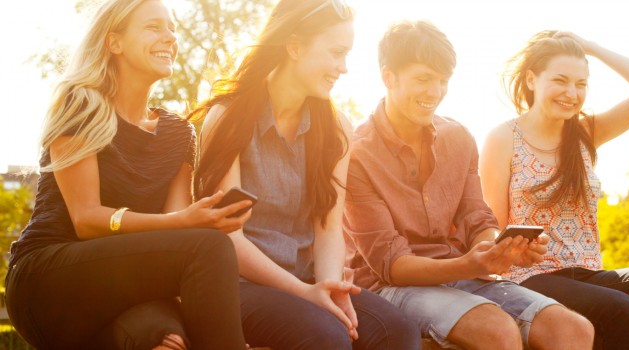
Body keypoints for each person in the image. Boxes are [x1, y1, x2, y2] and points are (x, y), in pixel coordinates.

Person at [4, 1, 250, 349]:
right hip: (49, 281)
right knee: (209, 248)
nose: (170, 37)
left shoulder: (180, 133)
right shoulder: (82, 105)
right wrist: (186, 224)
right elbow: (86, 220)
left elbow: (175, 224)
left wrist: (205, 217)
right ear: (114, 42)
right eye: (153, 27)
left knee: (166, 340)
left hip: (122, 285)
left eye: (172, 28)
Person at [343, 20, 594, 350]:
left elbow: (478, 218)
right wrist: (470, 263)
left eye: (442, 81)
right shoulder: (357, 153)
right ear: (389, 77)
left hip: (461, 275)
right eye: (423, 79)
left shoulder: (458, 138)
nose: (435, 92)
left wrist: (501, 247)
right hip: (390, 287)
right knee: (497, 331)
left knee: (573, 329)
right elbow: (392, 265)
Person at [189, 0, 421, 349]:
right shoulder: (228, 117)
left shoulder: (336, 128)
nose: (343, 68)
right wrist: (307, 294)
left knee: (398, 331)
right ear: (294, 46)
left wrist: (331, 290)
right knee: (326, 338)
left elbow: (328, 227)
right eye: (336, 53)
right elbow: (228, 238)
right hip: (237, 285)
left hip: (308, 281)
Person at [480, 30, 629, 350]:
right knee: (620, 309)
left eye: (581, 84)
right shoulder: (503, 138)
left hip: (589, 273)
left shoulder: (586, 132)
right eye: (561, 80)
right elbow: (490, 223)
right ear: (532, 79)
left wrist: (591, 48)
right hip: (531, 278)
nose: (572, 93)